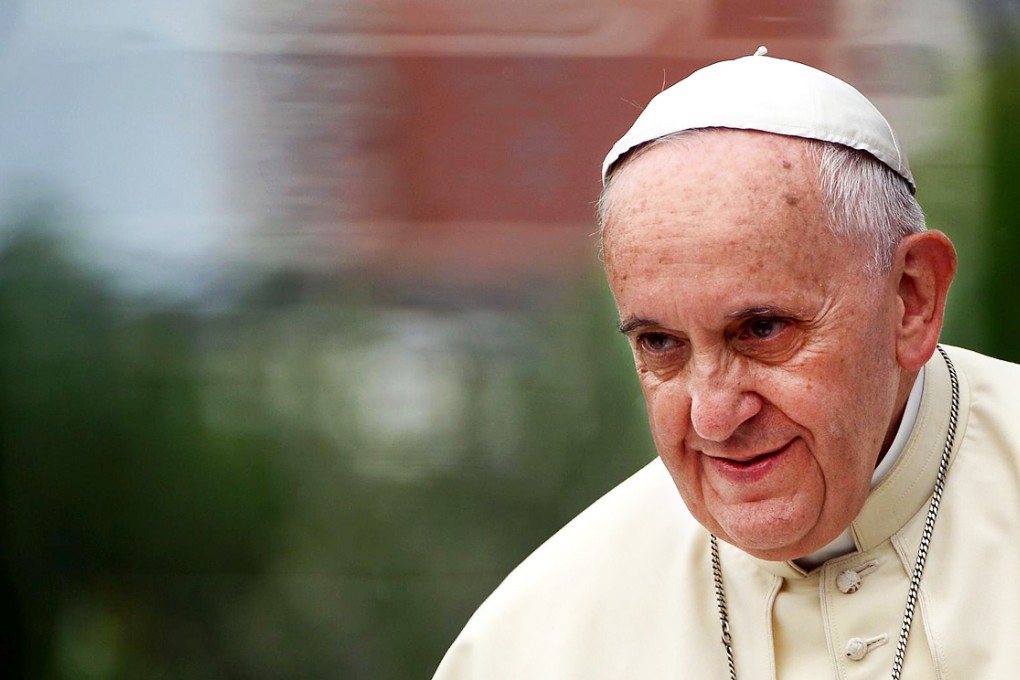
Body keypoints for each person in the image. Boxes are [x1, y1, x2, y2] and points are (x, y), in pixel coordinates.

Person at [432, 48, 1020, 679]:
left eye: (763, 330)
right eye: (660, 344)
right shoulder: (535, 641)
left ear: (912, 299)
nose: (713, 418)